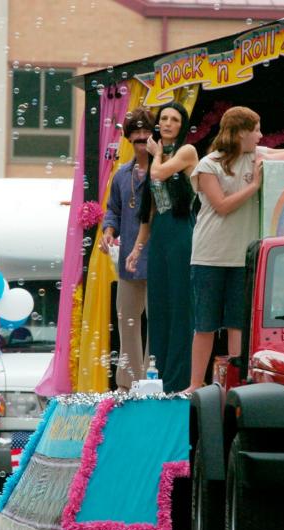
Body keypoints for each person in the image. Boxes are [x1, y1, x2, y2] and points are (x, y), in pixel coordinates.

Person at [186, 106, 284, 391]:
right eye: (256, 129)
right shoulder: (208, 164)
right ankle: (195, 383)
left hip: (243, 256)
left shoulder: (257, 156)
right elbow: (222, 206)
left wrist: (266, 158)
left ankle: (235, 386)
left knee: (238, 324)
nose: (261, 135)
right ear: (240, 133)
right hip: (209, 254)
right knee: (205, 325)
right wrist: (255, 185)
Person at [125, 102, 199, 393]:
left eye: (174, 119)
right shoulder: (156, 157)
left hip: (182, 232)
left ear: (182, 125)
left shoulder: (186, 152)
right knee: (158, 307)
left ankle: (179, 380)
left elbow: (159, 174)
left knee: (181, 306)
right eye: (164, 118)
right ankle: (160, 377)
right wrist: (137, 248)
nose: (168, 123)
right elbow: (151, 210)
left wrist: (155, 156)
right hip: (160, 234)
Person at [100, 107, 155, 390]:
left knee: (158, 324)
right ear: (128, 140)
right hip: (129, 263)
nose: (143, 139)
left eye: (147, 134)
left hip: (160, 259)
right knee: (128, 322)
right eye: (137, 136)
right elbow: (113, 211)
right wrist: (109, 232)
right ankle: (128, 382)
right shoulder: (121, 175)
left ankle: (153, 380)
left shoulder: (165, 169)